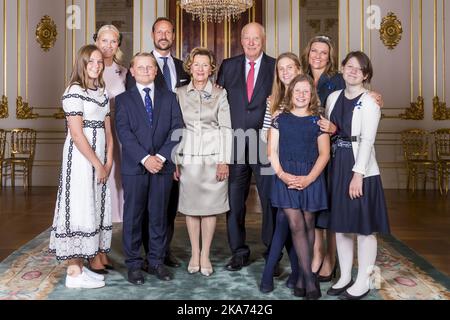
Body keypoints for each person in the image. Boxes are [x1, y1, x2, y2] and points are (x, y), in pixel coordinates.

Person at [302, 35, 383, 281]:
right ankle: (318, 256)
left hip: (334, 152)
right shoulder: (300, 76)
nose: (317, 56)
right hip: (308, 150)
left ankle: (331, 260)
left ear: (331, 58)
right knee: (317, 207)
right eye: (314, 51)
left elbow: (357, 114)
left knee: (334, 211)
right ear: (307, 54)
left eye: (323, 52)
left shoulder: (339, 81)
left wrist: (374, 96)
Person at [320, 51, 390, 300]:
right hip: (338, 164)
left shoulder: (370, 101)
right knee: (341, 226)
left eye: (359, 69)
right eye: (349, 66)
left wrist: (358, 175)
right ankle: (345, 276)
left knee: (364, 227)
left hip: (360, 168)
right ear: (341, 68)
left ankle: (364, 280)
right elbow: (333, 131)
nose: (352, 71)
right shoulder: (333, 97)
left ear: (366, 75)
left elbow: (368, 140)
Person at [115, 52, 183, 285]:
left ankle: (156, 262)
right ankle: (134, 264)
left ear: (156, 71)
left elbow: (177, 129)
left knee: (159, 217)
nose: (145, 71)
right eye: (140, 67)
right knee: (133, 217)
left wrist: (161, 157)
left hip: (163, 168)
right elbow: (124, 133)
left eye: (150, 67)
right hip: (135, 168)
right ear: (132, 71)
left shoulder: (170, 98)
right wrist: (145, 158)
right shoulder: (123, 100)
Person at [127, 17, 190, 269]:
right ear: (153, 34)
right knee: (143, 208)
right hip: (144, 151)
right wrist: (147, 155)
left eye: (168, 31)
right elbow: (133, 112)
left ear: (173, 35)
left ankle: (162, 252)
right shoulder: (140, 65)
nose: (164, 35)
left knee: (167, 204)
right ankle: (143, 254)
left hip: (173, 144)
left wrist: (168, 154)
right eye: (159, 31)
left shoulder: (182, 66)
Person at [49, 44, 113, 289]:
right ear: (82, 64)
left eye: (99, 61)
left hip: (99, 158)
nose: (96, 66)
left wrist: (109, 160)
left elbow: (108, 130)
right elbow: (76, 134)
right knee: (78, 206)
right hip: (81, 160)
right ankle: (73, 272)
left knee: (93, 206)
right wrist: (97, 164)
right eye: (91, 62)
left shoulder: (102, 91)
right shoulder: (74, 91)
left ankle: (82, 267)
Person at [217, 22, 277, 272]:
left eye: (256, 38)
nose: (251, 43)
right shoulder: (228, 66)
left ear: (263, 40)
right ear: (240, 41)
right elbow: (218, 103)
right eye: (247, 38)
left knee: (269, 200)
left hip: (265, 145)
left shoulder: (275, 66)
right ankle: (239, 252)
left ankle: (272, 252)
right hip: (236, 144)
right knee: (235, 201)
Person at [268, 74, 330, 300]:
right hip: (287, 177)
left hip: (311, 177)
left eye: (306, 91)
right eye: (298, 91)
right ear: (290, 93)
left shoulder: (318, 120)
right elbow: (271, 152)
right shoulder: (279, 119)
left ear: (311, 95)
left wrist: (309, 178)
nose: (302, 95)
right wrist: (283, 176)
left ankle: (305, 277)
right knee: (295, 225)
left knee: (308, 223)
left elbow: (324, 154)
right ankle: (309, 281)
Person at [174, 47, 232, 277]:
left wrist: (223, 161)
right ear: (190, 67)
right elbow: (174, 128)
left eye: (205, 65)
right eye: (196, 64)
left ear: (211, 69)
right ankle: (194, 253)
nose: (200, 69)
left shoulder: (220, 94)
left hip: (213, 158)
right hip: (187, 158)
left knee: (209, 209)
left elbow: (226, 128)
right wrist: (175, 160)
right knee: (191, 208)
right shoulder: (178, 93)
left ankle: (205, 254)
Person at [259, 52, 302, 293]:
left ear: (298, 68)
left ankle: (279, 272)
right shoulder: (272, 100)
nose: (285, 72)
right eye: (281, 69)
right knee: (283, 219)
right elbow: (266, 136)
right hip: (278, 168)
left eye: (289, 67)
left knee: (290, 221)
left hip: (302, 168)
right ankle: (292, 273)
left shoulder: (306, 94)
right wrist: (276, 122)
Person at [92, 24, 127, 272]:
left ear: (118, 45)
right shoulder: (89, 69)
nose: (107, 46)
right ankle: (92, 252)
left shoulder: (125, 72)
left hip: (120, 136)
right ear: (96, 41)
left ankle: (103, 252)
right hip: (96, 136)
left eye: (112, 41)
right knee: (96, 193)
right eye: (103, 41)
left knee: (115, 195)